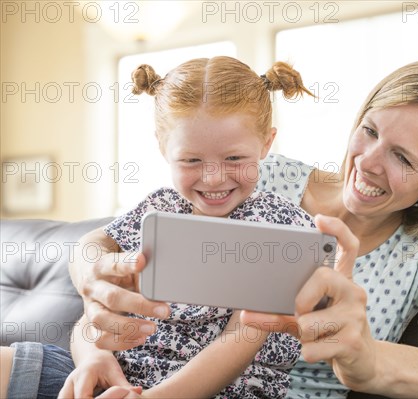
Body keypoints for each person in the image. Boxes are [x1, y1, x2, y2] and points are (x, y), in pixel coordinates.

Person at [2, 55, 418, 398]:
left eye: (403, 159)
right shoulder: (252, 175)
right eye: (368, 130)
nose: (366, 162)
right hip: (131, 369)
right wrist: (93, 275)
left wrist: (368, 359)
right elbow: (110, 243)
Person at [0, 55, 324, 398]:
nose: (213, 178)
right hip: (111, 378)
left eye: (234, 159)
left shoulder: (281, 227)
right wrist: (92, 358)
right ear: (162, 146)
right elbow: (94, 308)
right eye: (191, 160)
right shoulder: (160, 208)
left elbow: (241, 339)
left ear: (266, 144)